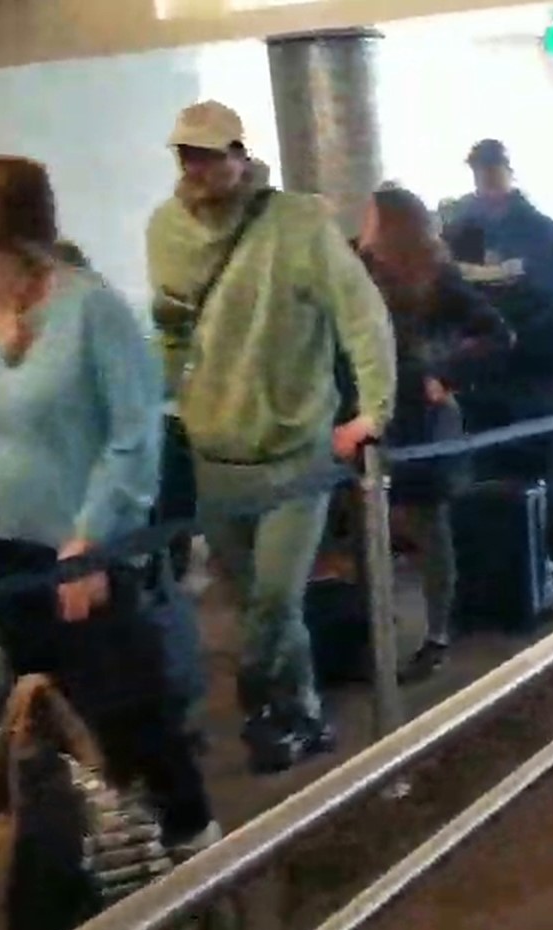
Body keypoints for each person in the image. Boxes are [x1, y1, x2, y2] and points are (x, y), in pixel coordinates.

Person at [0, 156, 218, 854]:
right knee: (50, 719)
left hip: (75, 547)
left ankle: (195, 851)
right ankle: (104, 863)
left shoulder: (90, 307)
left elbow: (134, 435)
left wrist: (93, 539)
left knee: (129, 714)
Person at [147, 101, 396, 772]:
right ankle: (303, 709)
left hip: (294, 449)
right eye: (185, 155)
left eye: (207, 153)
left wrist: (374, 408)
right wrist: (153, 405)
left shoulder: (298, 224)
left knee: (276, 601)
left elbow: (361, 315)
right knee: (252, 600)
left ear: (238, 152)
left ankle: (269, 709)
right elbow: (170, 328)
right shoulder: (166, 231)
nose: (195, 167)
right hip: (214, 448)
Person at [357, 186, 512, 682]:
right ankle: (374, 636)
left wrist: (445, 374)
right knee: (373, 533)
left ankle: (437, 633)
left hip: (421, 421)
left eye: (372, 217)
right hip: (375, 417)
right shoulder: (360, 271)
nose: (362, 224)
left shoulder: (437, 278)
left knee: (430, 531)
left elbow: (497, 333)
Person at [440, 139, 553, 613]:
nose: (485, 180)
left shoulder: (543, 234)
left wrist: (510, 339)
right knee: (488, 487)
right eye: (479, 172)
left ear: (506, 170)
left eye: (491, 170)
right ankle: (502, 583)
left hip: (533, 380)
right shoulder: (462, 232)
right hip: (483, 384)